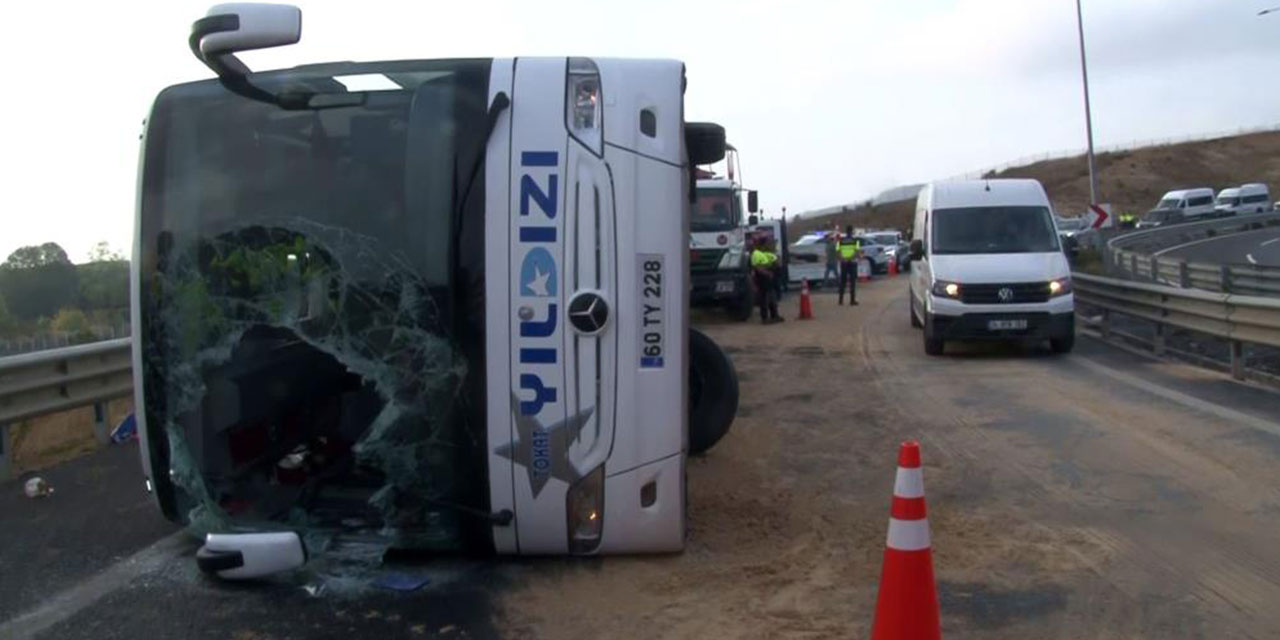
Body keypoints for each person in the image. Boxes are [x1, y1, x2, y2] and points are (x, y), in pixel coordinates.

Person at [750, 237, 783, 324]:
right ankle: (765, 318)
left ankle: (774, 315)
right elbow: (757, 267)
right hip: (762, 279)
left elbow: (777, 263)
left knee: (772, 298)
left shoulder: (768, 253)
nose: (770, 245)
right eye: (768, 243)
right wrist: (767, 273)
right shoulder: (756, 254)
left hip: (770, 279)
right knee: (764, 299)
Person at [837, 225, 861, 306]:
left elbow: (838, 251)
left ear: (846, 231)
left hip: (844, 263)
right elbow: (857, 252)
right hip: (852, 263)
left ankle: (840, 300)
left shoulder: (841, 240)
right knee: (852, 282)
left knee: (842, 282)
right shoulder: (855, 241)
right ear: (852, 231)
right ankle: (852, 300)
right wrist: (850, 258)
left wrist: (843, 258)